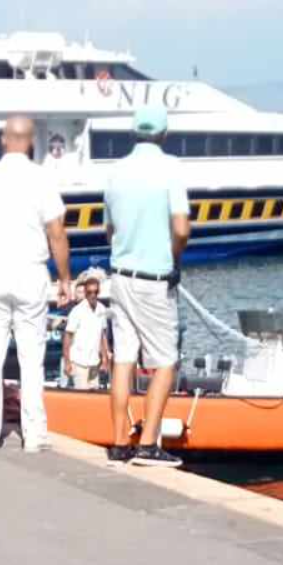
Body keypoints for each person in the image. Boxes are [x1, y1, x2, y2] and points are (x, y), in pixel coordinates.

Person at [0, 116, 72, 453]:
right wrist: (65, 278)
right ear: (31, 142)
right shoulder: (42, 180)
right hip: (30, 274)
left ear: (3, 140)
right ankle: (34, 436)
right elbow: (57, 234)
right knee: (31, 359)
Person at [104, 105, 191, 468]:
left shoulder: (116, 171)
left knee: (124, 358)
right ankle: (149, 444)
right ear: (164, 134)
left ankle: (120, 441)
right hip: (154, 280)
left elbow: (109, 229)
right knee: (165, 360)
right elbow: (182, 228)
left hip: (119, 276)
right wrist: (173, 259)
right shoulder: (171, 168)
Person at [63, 277, 110, 390]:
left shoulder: (102, 309)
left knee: (95, 399)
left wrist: (105, 358)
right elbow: (68, 337)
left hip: (94, 362)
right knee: (82, 397)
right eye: (89, 292)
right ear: (85, 293)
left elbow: (102, 335)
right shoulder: (77, 311)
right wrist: (67, 361)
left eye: (95, 292)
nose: (93, 295)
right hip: (79, 361)